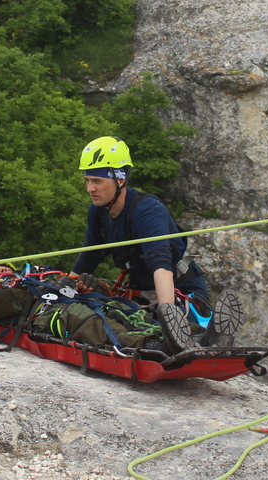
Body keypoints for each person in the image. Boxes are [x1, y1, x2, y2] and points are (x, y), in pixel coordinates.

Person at [70, 136, 242, 354]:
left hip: (179, 290)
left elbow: (161, 266)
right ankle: (193, 335)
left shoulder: (147, 212)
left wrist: (168, 316)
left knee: (160, 328)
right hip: (141, 292)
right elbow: (89, 257)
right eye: (87, 180)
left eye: (97, 181)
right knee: (110, 315)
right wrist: (66, 287)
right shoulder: (98, 212)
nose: (90, 188)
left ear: (120, 179)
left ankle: (204, 335)